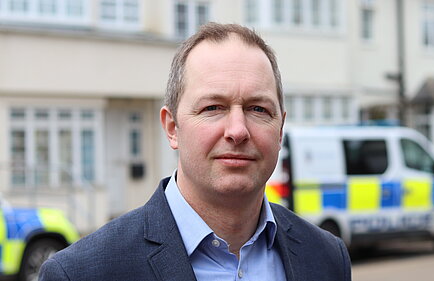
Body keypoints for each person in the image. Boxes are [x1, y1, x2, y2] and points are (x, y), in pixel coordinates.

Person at [39, 23, 351, 281]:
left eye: (258, 109)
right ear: (172, 127)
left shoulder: (327, 257)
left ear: (280, 129)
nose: (238, 130)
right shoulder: (81, 273)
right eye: (213, 107)